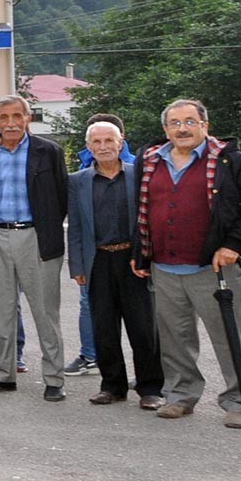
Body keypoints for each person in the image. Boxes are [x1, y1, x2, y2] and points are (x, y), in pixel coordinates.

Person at [133, 98, 241, 427]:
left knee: (229, 336)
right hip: (164, 267)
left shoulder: (229, 159)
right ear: (165, 129)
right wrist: (141, 253)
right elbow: (138, 208)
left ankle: (240, 402)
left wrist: (232, 245)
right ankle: (181, 396)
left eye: (190, 122)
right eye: (175, 123)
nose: (182, 128)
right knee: (174, 339)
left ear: (204, 126)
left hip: (214, 268)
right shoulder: (150, 159)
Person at [0, 95, 71, 402]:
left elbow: (61, 197)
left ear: (28, 118)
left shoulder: (47, 151)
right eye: (4, 117)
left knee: (45, 312)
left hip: (35, 237)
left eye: (17, 116)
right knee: (0, 312)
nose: (11, 122)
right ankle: (3, 374)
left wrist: (45, 230)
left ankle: (53, 378)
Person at [66, 120, 161, 408]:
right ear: (88, 147)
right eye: (97, 142)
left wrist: (145, 256)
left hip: (133, 260)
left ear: (121, 143)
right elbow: (76, 227)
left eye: (109, 140)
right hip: (98, 261)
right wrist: (77, 267)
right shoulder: (77, 180)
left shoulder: (138, 175)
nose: (104, 147)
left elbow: (149, 220)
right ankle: (112, 386)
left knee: (143, 328)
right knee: (104, 328)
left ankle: (150, 388)